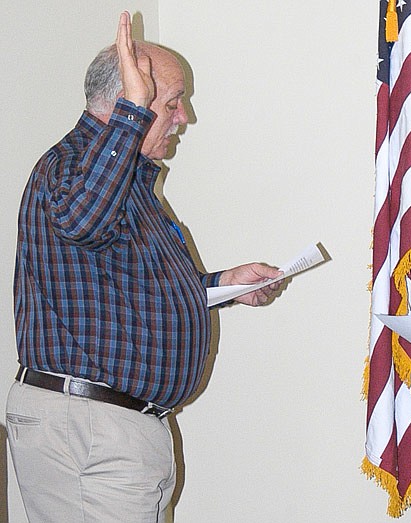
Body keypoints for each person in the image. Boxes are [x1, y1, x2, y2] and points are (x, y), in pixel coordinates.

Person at [6, 12, 282, 522]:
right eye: (172, 103)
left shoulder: (122, 183)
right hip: (90, 429)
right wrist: (133, 111)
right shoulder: (69, 166)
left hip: (109, 428)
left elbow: (129, 288)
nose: (184, 118)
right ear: (126, 102)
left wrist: (221, 285)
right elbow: (83, 223)